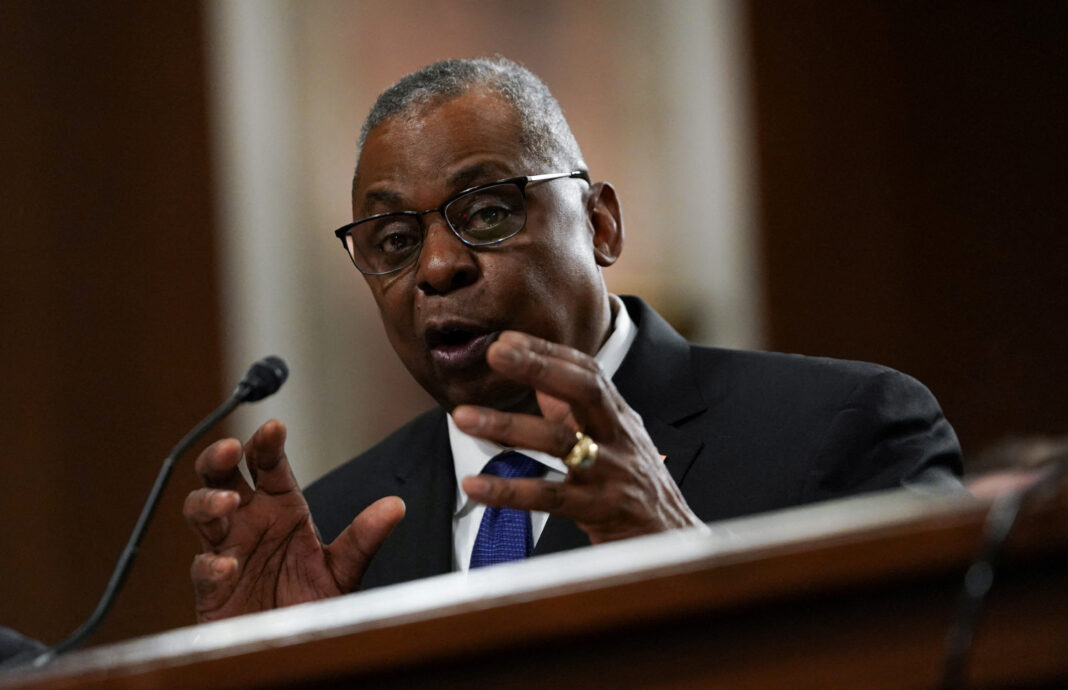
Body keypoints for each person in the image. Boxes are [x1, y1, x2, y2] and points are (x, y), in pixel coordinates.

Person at [183, 57, 961, 622]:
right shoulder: (335, 531)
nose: (439, 267)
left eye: (488, 212)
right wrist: (263, 671)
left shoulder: (841, 431)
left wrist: (685, 561)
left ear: (600, 225)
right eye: (394, 241)